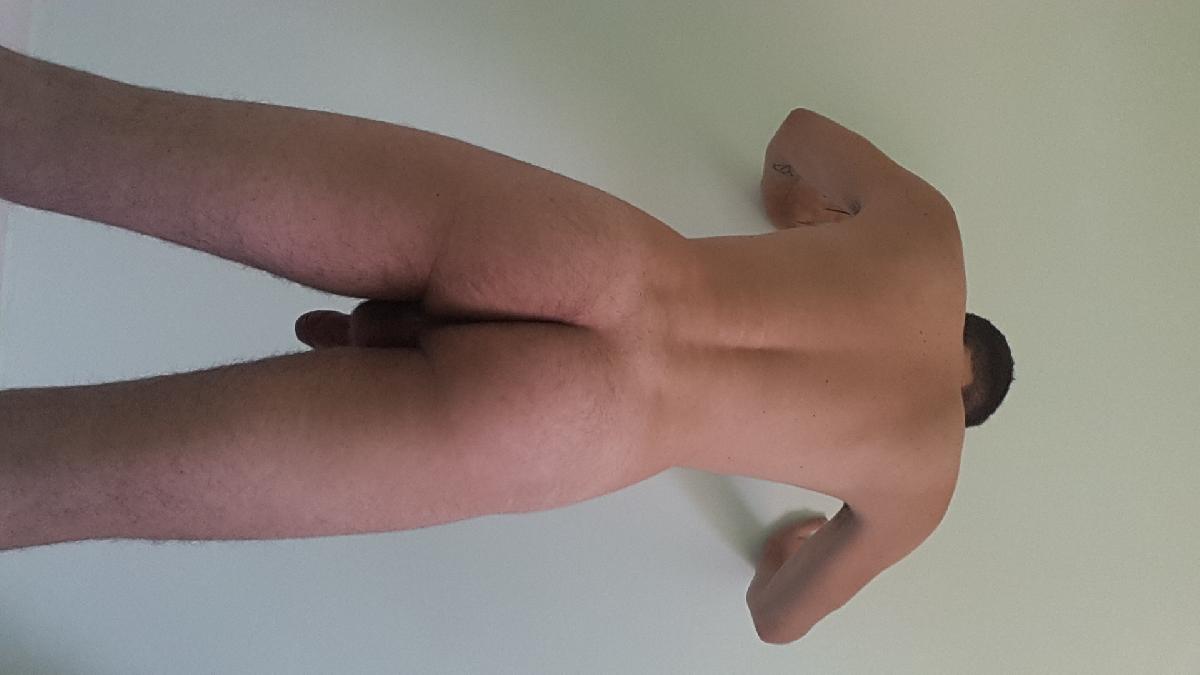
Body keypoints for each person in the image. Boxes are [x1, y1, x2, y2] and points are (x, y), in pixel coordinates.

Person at [0, 46, 1014, 643]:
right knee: (74, 477)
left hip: (590, 255)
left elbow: (793, 136)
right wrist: (796, 544)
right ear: (964, 408)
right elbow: (778, 618)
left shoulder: (931, 237)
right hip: (580, 430)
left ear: (966, 321)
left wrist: (794, 208)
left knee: (81, 132)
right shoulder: (923, 484)